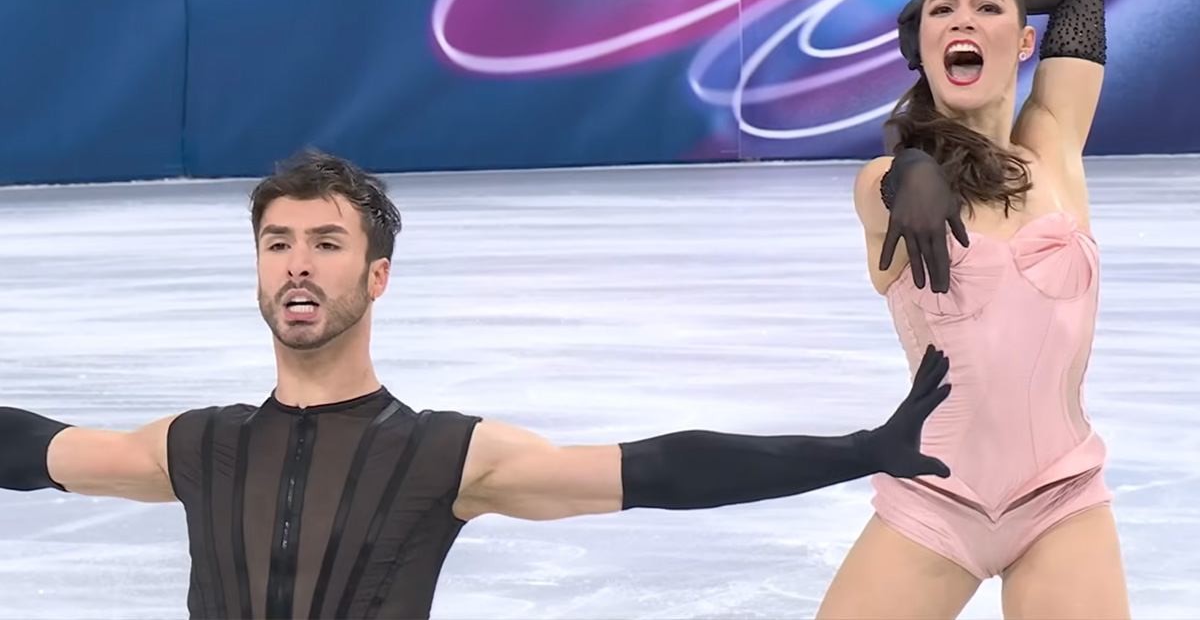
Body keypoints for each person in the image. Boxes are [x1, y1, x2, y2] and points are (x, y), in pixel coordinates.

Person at [1, 150, 954, 620]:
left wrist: (858, 451)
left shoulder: (444, 455)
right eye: (277, 243)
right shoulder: (201, 446)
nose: (297, 263)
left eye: (326, 243)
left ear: (376, 276)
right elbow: (35, 451)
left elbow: (659, 470)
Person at [815, 0, 1130, 620]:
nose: (964, 20)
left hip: (1062, 497)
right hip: (934, 502)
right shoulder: (885, 183)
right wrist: (911, 169)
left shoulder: (1053, 144)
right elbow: (880, 192)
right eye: (943, 13)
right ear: (923, 53)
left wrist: (935, 4)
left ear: (1025, 43)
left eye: (987, 10)